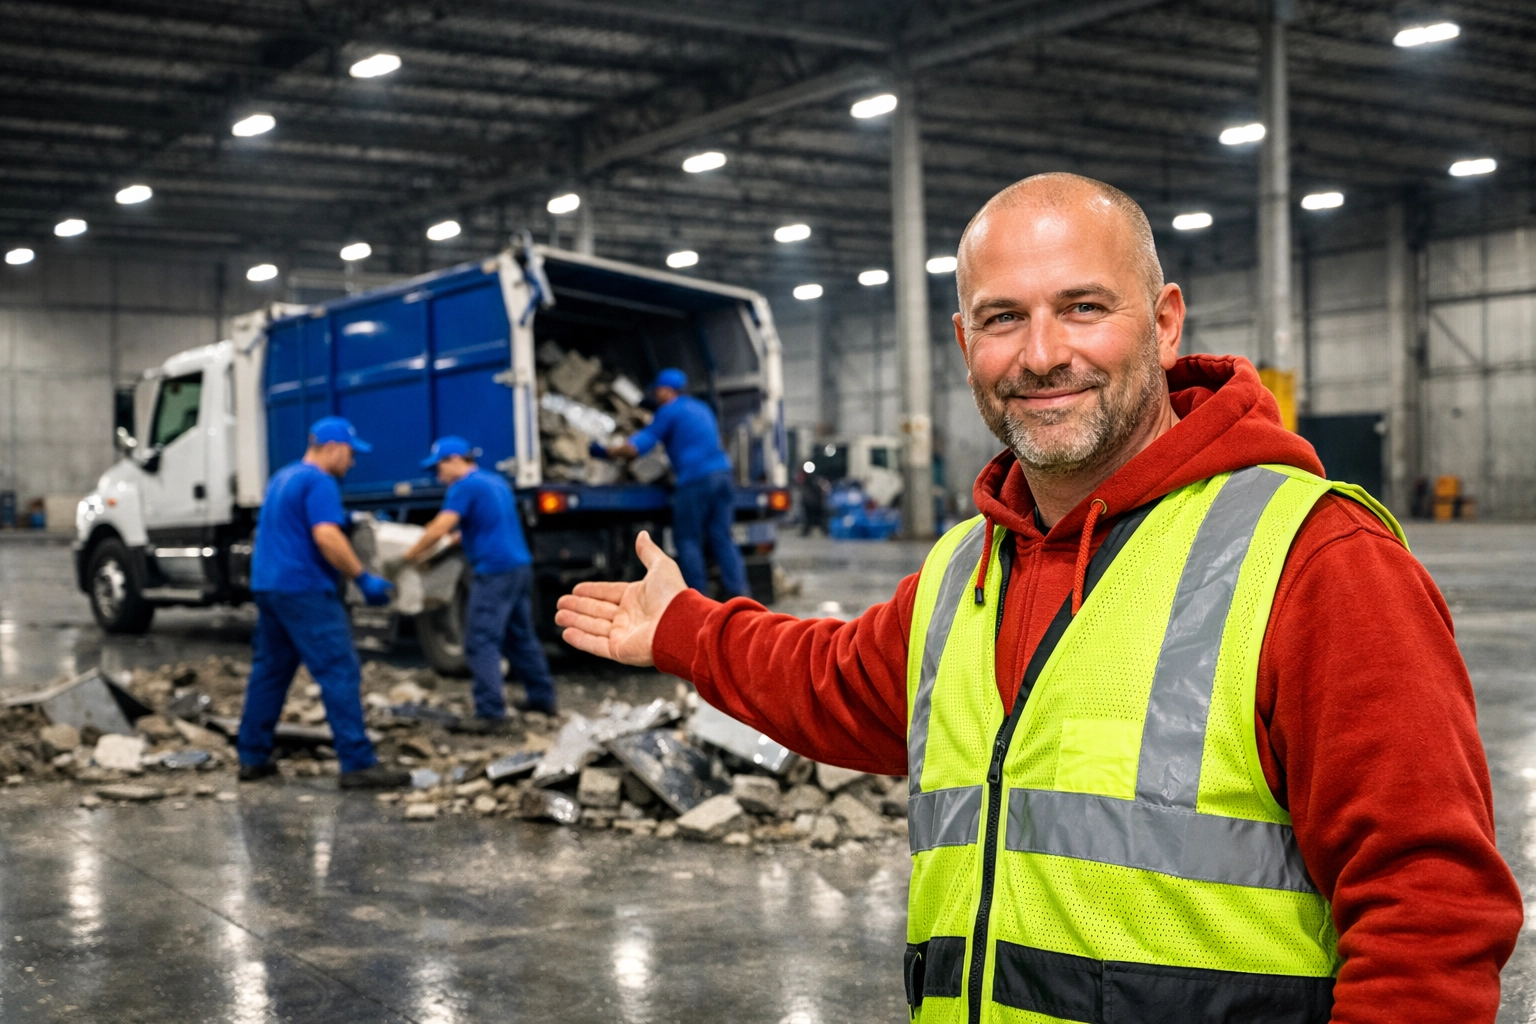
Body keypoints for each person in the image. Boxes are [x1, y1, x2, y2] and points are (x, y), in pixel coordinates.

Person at [555, 174, 1522, 1023]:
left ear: (1166, 320)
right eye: (1003, 317)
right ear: (963, 337)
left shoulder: (1313, 558)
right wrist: (684, 627)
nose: (1041, 354)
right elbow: (838, 684)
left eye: (1084, 307)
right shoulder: (967, 567)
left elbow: (1430, 906)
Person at [237, 416, 409, 790]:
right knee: (339, 669)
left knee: (270, 671)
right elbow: (325, 536)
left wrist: (344, 519)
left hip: (269, 587)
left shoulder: (283, 478)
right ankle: (357, 762)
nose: (352, 462)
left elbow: (295, 525)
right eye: (349, 453)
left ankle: (252, 757)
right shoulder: (320, 481)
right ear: (331, 448)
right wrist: (362, 577)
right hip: (305, 590)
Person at [403, 436, 557, 721]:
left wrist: (409, 555)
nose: (439, 477)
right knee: (520, 637)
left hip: (494, 571)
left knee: (479, 640)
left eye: (439, 468)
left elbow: (440, 526)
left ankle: (490, 712)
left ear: (454, 460)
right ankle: (542, 698)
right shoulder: (494, 482)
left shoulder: (463, 486)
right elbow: (490, 523)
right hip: (519, 567)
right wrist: (458, 538)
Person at [594, 368, 749, 598]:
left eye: (658, 390)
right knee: (722, 536)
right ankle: (741, 595)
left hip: (695, 480)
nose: (656, 395)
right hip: (723, 475)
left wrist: (605, 451)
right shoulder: (701, 407)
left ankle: (699, 601)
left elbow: (637, 446)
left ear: (666, 391)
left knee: (687, 539)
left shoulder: (669, 411)